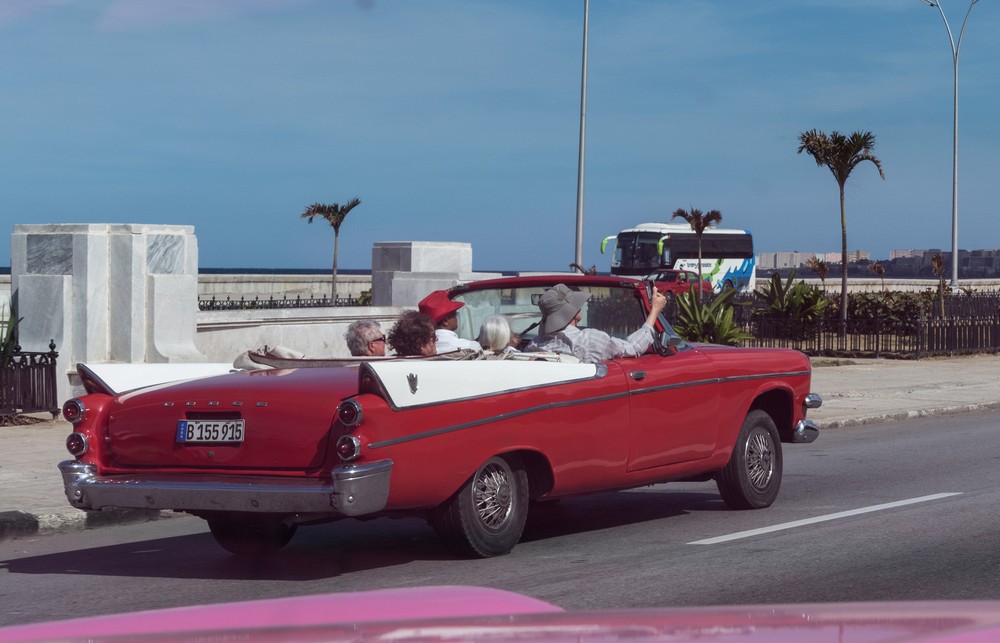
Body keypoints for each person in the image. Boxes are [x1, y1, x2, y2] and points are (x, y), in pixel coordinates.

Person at [525, 283, 667, 364]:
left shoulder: (533, 346)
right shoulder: (588, 339)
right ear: (573, 310)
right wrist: (654, 311)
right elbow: (633, 348)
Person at [418, 290, 482, 353]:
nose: (456, 317)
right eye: (454, 314)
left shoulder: (420, 349)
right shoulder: (470, 347)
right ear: (445, 321)